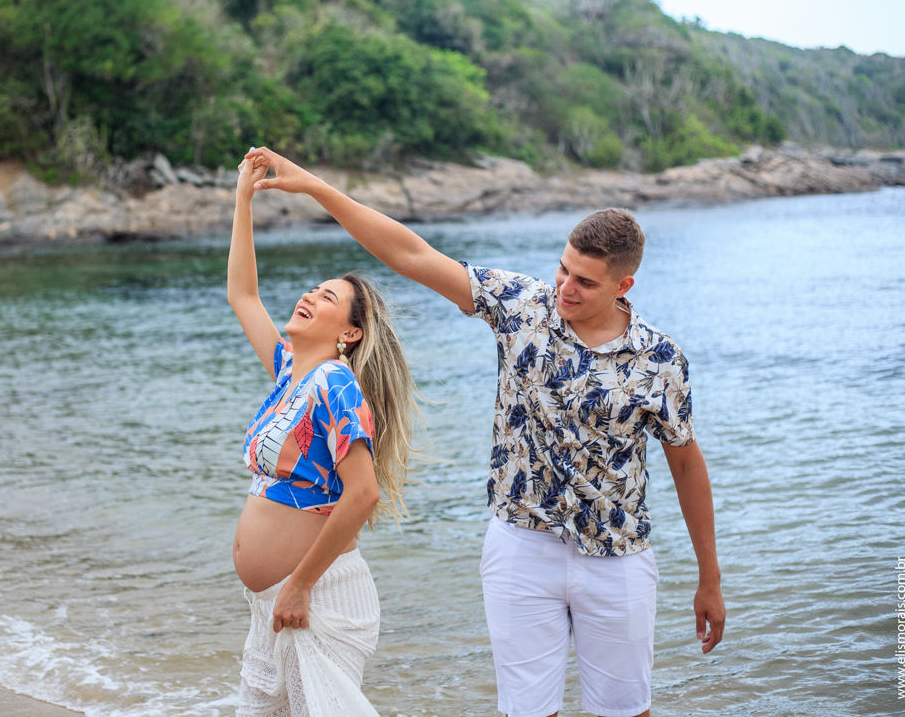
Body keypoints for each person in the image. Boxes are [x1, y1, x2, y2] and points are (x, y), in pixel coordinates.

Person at [241, 147, 727, 717]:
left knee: (626, 711)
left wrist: (709, 577)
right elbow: (411, 254)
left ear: (624, 284)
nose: (566, 288)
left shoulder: (659, 359)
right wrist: (316, 187)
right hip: (521, 544)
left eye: (585, 282)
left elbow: (685, 462)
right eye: (563, 269)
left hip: (616, 553)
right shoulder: (521, 306)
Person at [228, 154, 422, 717]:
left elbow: (363, 494)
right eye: (313, 289)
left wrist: (299, 585)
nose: (310, 296)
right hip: (274, 601)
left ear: (351, 333)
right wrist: (243, 199)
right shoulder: (291, 372)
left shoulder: (336, 384)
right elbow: (243, 295)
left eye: (328, 298)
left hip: (318, 595)